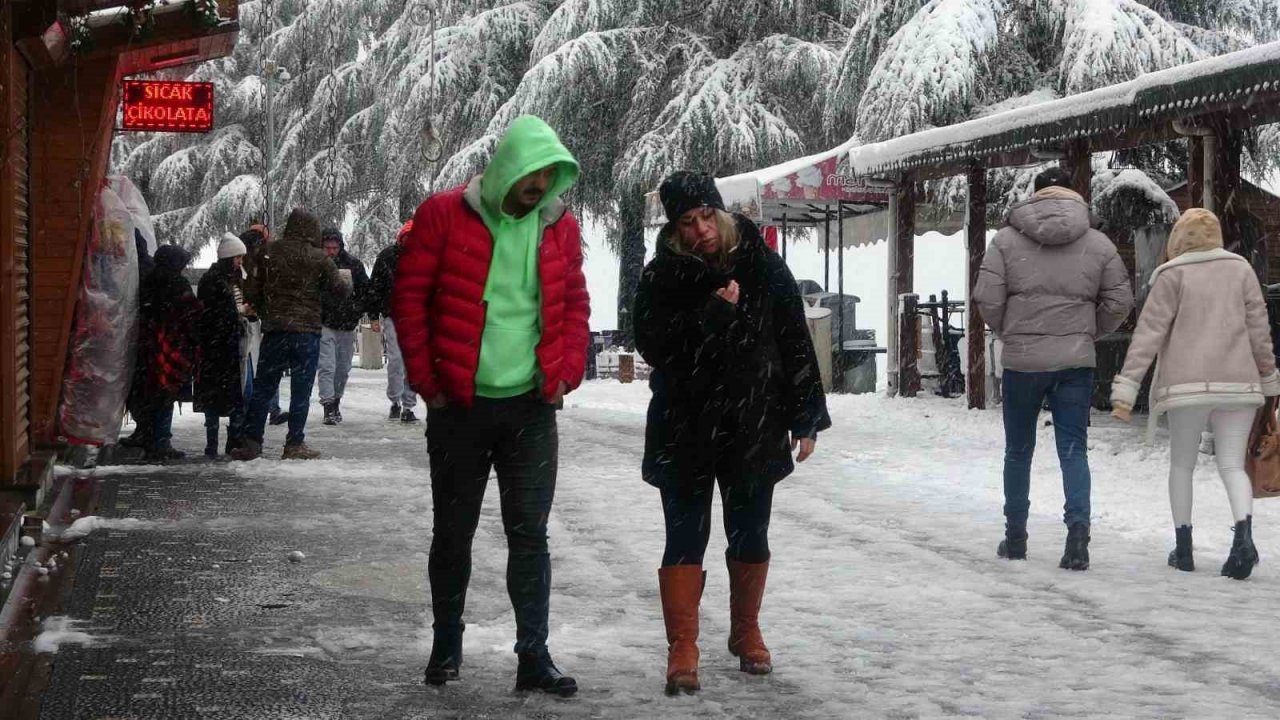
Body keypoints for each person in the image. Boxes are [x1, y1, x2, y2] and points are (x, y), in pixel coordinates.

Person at [392, 115, 589, 696]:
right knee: (453, 531)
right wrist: (430, 385)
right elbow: (410, 300)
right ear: (508, 172)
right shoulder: (442, 215)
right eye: (531, 186)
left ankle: (534, 655)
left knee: (530, 534)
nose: (539, 197)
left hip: (531, 406)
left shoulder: (558, 224)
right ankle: (446, 645)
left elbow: (575, 300)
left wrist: (566, 371)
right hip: (460, 407)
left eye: (549, 187)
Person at [633, 171, 831, 695]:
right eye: (686, 222)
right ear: (674, 229)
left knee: (751, 534)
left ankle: (746, 632)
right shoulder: (662, 277)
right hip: (685, 424)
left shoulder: (762, 265)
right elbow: (653, 345)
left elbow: (793, 340)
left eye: (705, 217)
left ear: (720, 213)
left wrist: (807, 413)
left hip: (753, 421)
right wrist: (711, 314)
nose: (700, 230)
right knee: (684, 537)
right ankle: (683, 648)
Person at [974, 167, 1134, 570]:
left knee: (1018, 451)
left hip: (1023, 362)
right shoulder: (1098, 243)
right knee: (1073, 450)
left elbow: (987, 298)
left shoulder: (1006, 241)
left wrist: (1010, 328)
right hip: (1074, 363)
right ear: (1073, 197)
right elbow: (1119, 300)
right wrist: (1086, 331)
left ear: (1035, 197)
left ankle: (1016, 538)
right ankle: (1077, 540)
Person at [1111, 208, 1279, 580]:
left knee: (1182, 465)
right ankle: (1243, 539)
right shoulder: (1241, 271)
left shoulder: (1171, 275)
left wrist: (1128, 387)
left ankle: (1183, 549)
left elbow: (1148, 335)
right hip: (1238, 384)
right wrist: (1268, 378)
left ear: (1177, 241)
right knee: (1233, 466)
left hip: (1186, 386)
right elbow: (1259, 333)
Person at [233, 208, 349, 461]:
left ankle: (252, 441)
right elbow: (339, 290)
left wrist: (268, 311)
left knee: (264, 386)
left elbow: (251, 290)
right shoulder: (319, 258)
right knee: (301, 389)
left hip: (275, 331)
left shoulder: (268, 252)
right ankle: (294, 442)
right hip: (306, 332)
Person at [128, 244, 201, 461]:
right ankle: (161, 441)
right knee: (167, 393)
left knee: (151, 392)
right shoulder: (177, 283)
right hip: (172, 345)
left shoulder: (148, 280)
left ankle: (149, 434)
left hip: (149, 345)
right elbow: (191, 313)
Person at [195, 233, 251, 457]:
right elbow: (220, 313)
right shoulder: (218, 281)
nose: (240, 262)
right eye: (237, 257)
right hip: (221, 348)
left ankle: (219, 442)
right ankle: (229, 441)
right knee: (230, 397)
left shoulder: (220, 278)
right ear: (229, 257)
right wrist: (241, 312)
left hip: (217, 348)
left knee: (216, 399)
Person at [317, 227, 370, 425]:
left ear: (340, 246)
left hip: (346, 323)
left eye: (334, 247)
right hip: (324, 322)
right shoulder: (317, 265)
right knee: (327, 366)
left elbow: (365, 290)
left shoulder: (353, 265)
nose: (331, 251)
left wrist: (356, 309)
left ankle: (336, 400)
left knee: (343, 367)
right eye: (327, 247)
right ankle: (328, 405)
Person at [367, 220, 419, 422]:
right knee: (396, 360)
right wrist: (373, 316)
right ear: (401, 237)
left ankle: (408, 405)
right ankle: (395, 400)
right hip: (394, 316)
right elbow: (375, 288)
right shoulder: (387, 257)